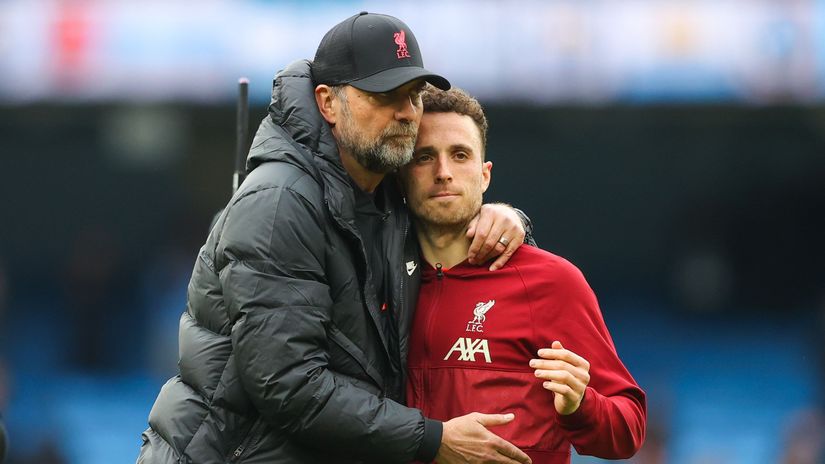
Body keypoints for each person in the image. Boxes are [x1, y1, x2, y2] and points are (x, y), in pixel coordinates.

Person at [138, 12, 534, 464]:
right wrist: (431, 439)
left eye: (413, 95)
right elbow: (288, 386)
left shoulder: (385, 187)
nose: (406, 112)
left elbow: (450, 211)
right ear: (328, 103)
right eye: (385, 95)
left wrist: (502, 217)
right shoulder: (280, 203)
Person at [401, 88, 647, 464]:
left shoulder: (551, 282)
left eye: (460, 155)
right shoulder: (380, 279)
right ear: (401, 175)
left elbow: (628, 431)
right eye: (424, 157)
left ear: (485, 175)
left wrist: (580, 403)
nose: (444, 172)